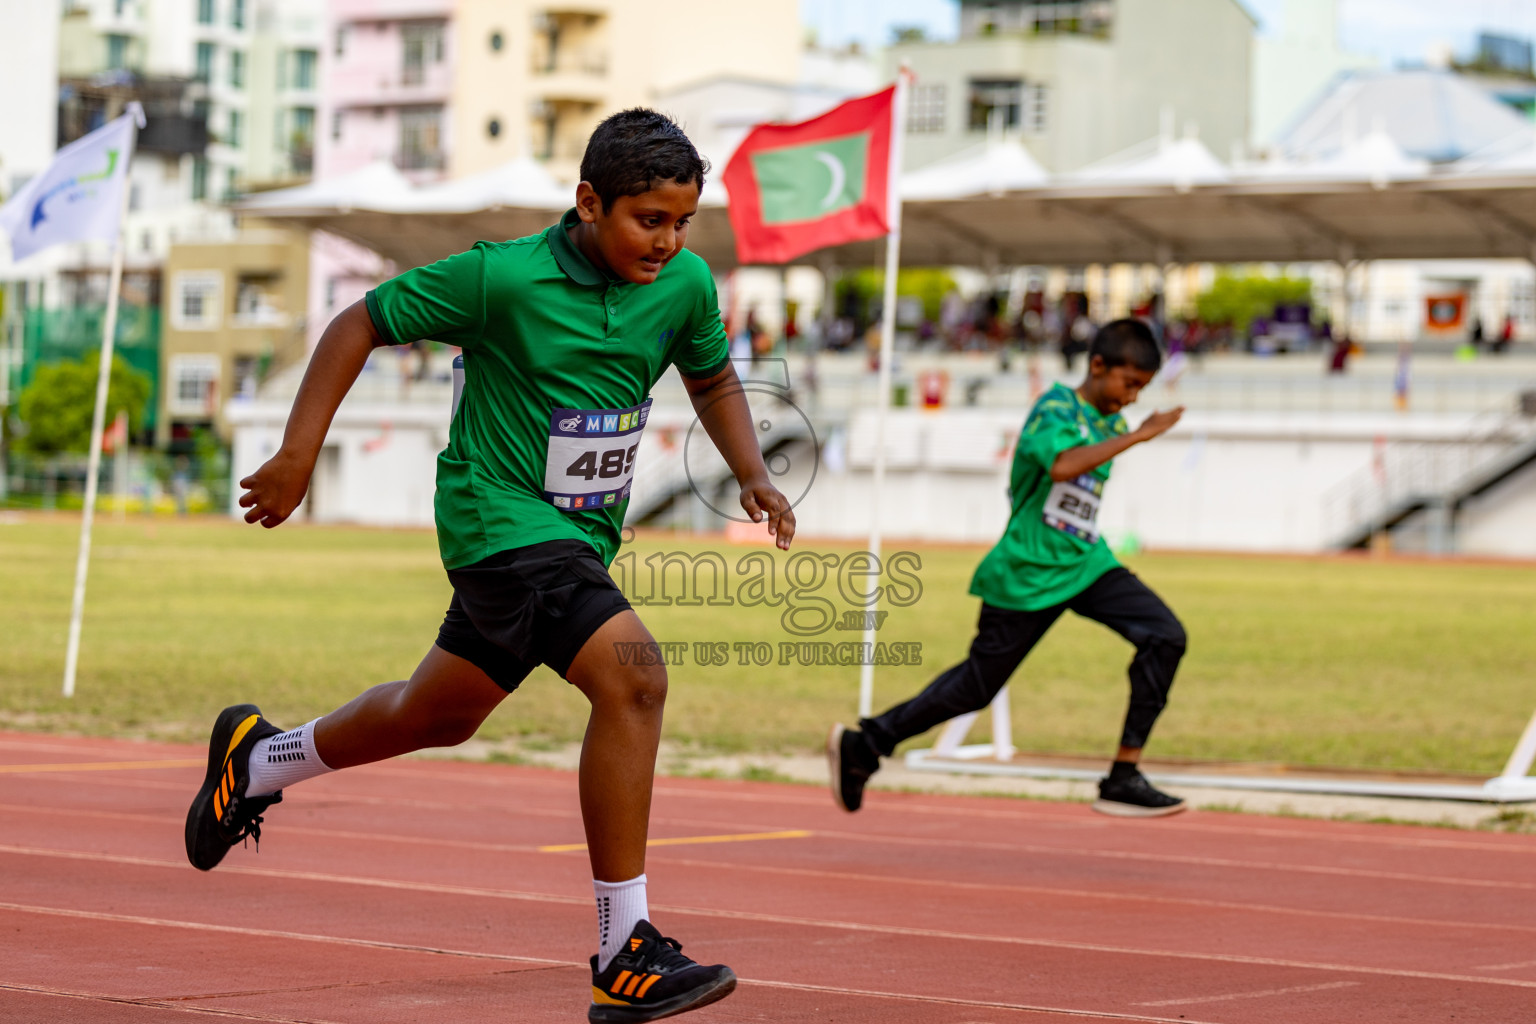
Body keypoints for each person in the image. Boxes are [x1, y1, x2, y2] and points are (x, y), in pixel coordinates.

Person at [184, 109, 796, 1024]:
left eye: (683, 222)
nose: (668, 242)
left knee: (440, 713)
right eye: (648, 220)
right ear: (588, 202)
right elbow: (360, 321)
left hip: (578, 537)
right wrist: (298, 454)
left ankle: (259, 759)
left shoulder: (684, 286)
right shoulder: (500, 277)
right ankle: (621, 949)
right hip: (497, 521)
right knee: (635, 682)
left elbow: (709, 376)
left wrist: (750, 469)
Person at [828, 319, 1190, 818]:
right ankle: (866, 743)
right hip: (1027, 569)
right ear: (1098, 365)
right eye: (1129, 384)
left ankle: (1124, 775)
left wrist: (1130, 433)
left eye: (1142, 390)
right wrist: (1141, 437)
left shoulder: (1113, 423)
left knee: (1166, 636)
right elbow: (1062, 466)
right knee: (976, 686)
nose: (1132, 399)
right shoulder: (1057, 407)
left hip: (1086, 562)